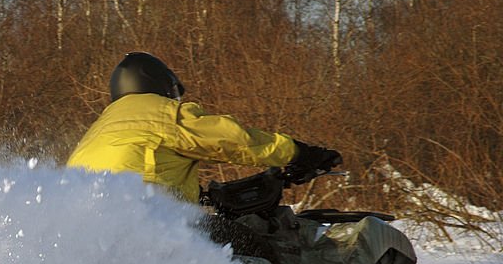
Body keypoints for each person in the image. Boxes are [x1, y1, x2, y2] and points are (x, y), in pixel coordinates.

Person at [67, 52, 341, 202]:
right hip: (142, 220)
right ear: (161, 85)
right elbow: (234, 140)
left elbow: (148, 166)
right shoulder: (161, 115)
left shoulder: (98, 130)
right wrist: (299, 153)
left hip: (92, 232)